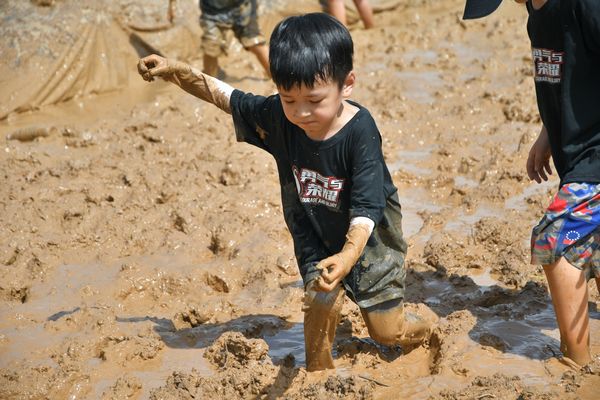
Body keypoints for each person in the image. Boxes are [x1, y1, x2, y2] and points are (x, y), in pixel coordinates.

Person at [137, 12, 436, 371]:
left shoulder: (361, 131)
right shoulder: (279, 117)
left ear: (347, 84)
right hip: (312, 228)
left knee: (386, 332)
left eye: (315, 99)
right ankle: (319, 375)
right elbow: (227, 96)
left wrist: (347, 256)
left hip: (371, 239)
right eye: (289, 98)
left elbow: (368, 205)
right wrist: (175, 71)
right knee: (320, 299)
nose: (302, 112)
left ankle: (428, 329)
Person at [463, 0, 600, 369]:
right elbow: (573, 78)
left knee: (554, 244)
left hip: (595, 159)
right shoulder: (536, 13)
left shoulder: (585, 6)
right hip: (576, 155)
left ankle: (578, 364)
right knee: (594, 250)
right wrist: (547, 134)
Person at [167, 0, 270, 78]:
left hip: (242, 4)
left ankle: (279, 79)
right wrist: (172, 4)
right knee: (211, 47)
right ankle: (210, 87)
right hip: (212, 10)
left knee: (254, 42)